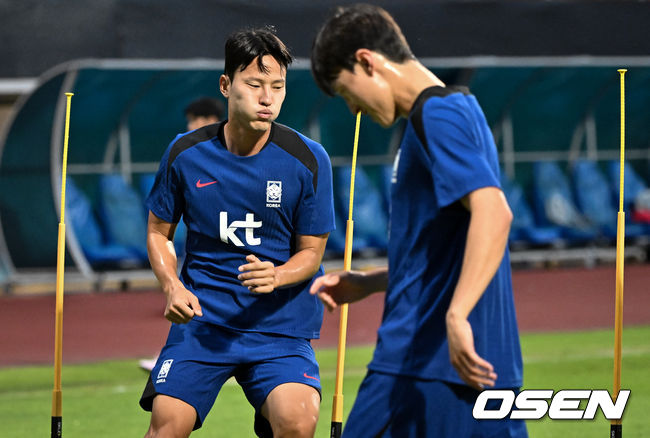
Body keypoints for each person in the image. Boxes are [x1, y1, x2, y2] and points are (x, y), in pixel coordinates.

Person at [310, 4, 526, 437]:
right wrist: (370, 282)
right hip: (449, 365)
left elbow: (494, 211)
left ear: (367, 61)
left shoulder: (437, 114)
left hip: (428, 362)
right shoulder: (453, 111)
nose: (352, 109)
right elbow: (448, 247)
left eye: (345, 90)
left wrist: (457, 315)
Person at [140, 27, 335, 438]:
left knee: (298, 423)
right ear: (227, 85)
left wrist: (279, 275)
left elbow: (312, 253)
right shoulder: (184, 153)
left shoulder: (309, 159)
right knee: (166, 427)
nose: (268, 97)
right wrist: (171, 285)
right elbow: (159, 233)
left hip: (279, 328)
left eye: (278, 86)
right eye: (255, 84)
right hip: (203, 323)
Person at [138, 96, 226, 373]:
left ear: (207, 120)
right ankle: (176, 353)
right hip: (200, 241)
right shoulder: (186, 153)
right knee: (187, 293)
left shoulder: (227, 152)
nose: (188, 126)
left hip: (225, 246)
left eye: (192, 120)